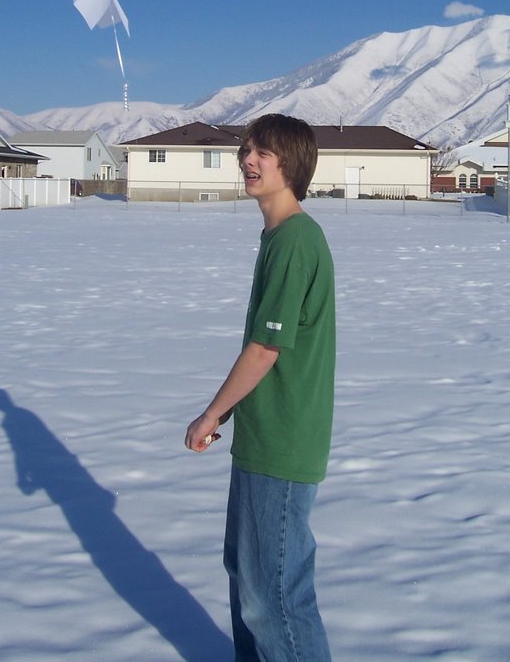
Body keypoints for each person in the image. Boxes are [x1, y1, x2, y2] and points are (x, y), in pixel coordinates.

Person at [185, 113, 335, 662]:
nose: (248, 160)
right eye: (246, 149)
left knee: (274, 598)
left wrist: (211, 414)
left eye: (263, 152)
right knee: (248, 581)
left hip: (283, 441)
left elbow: (265, 349)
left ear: (290, 164)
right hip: (261, 436)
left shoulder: (296, 239)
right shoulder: (278, 235)